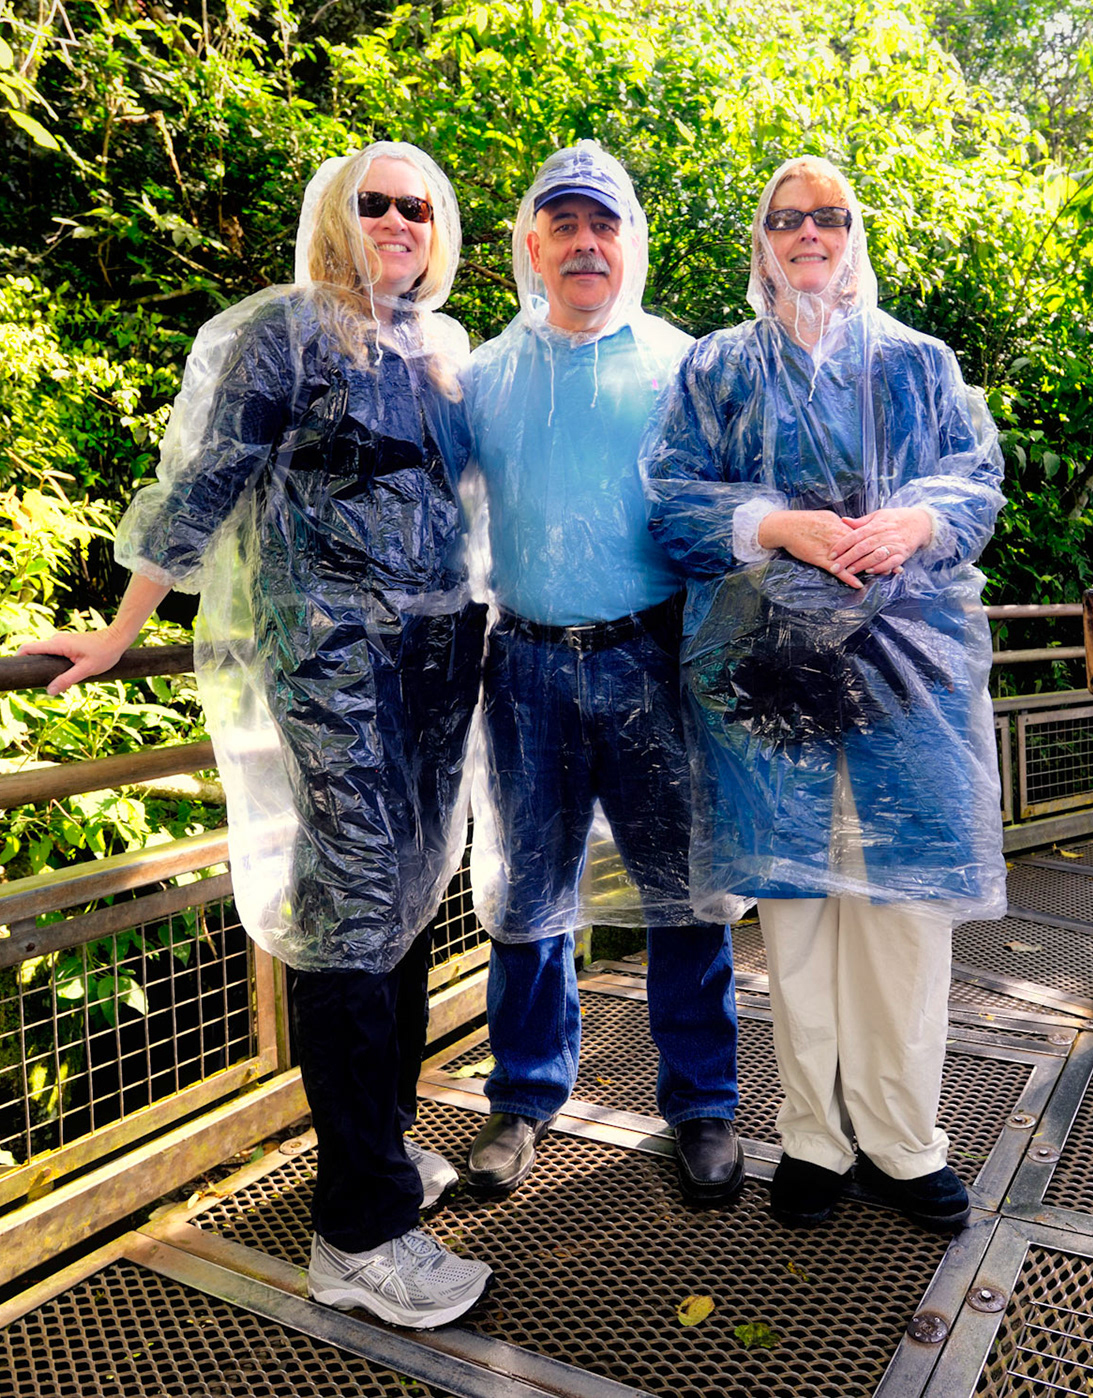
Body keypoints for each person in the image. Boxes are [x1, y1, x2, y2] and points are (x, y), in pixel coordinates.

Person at [21, 144, 491, 1328]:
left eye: (418, 205)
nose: (398, 220)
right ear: (335, 216)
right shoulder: (282, 334)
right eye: (373, 202)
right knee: (351, 920)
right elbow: (202, 485)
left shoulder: (443, 350)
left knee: (408, 909)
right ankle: (359, 1235)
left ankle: (379, 1147)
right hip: (333, 670)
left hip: (436, 672)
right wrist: (121, 631)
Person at [641, 155, 1006, 1233]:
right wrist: (776, 526)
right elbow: (671, 500)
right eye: (788, 217)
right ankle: (814, 1138)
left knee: (902, 919)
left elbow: (975, 482)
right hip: (768, 687)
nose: (810, 232)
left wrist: (919, 522)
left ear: (855, 238)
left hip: (906, 689)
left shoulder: (918, 364)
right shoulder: (717, 369)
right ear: (762, 242)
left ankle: (903, 1144)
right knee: (797, 923)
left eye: (830, 216)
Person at [457, 142, 743, 1205]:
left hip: (652, 657)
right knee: (528, 889)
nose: (585, 244)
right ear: (530, 245)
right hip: (525, 663)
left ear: (632, 242)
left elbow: (737, 508)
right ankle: (523, 1096)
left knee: (686, 892)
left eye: (603, 224)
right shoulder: (484, 375)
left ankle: (703, 1103)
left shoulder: (684, 365)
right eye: (565, 224)